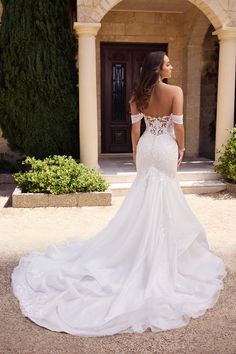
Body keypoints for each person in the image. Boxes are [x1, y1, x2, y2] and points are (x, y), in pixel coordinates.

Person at [11, 51, 226, 337]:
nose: (171, 66)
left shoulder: (137, 94)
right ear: (157, 68)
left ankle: (140, 248)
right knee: (165, 197)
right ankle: (158, 254)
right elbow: (178, 126)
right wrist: (182, 149)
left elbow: (135, 129)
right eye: (168, 63)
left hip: (148, 148)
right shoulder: (175, 91)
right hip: (165, 149)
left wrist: (136, 151)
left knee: (145, 198)